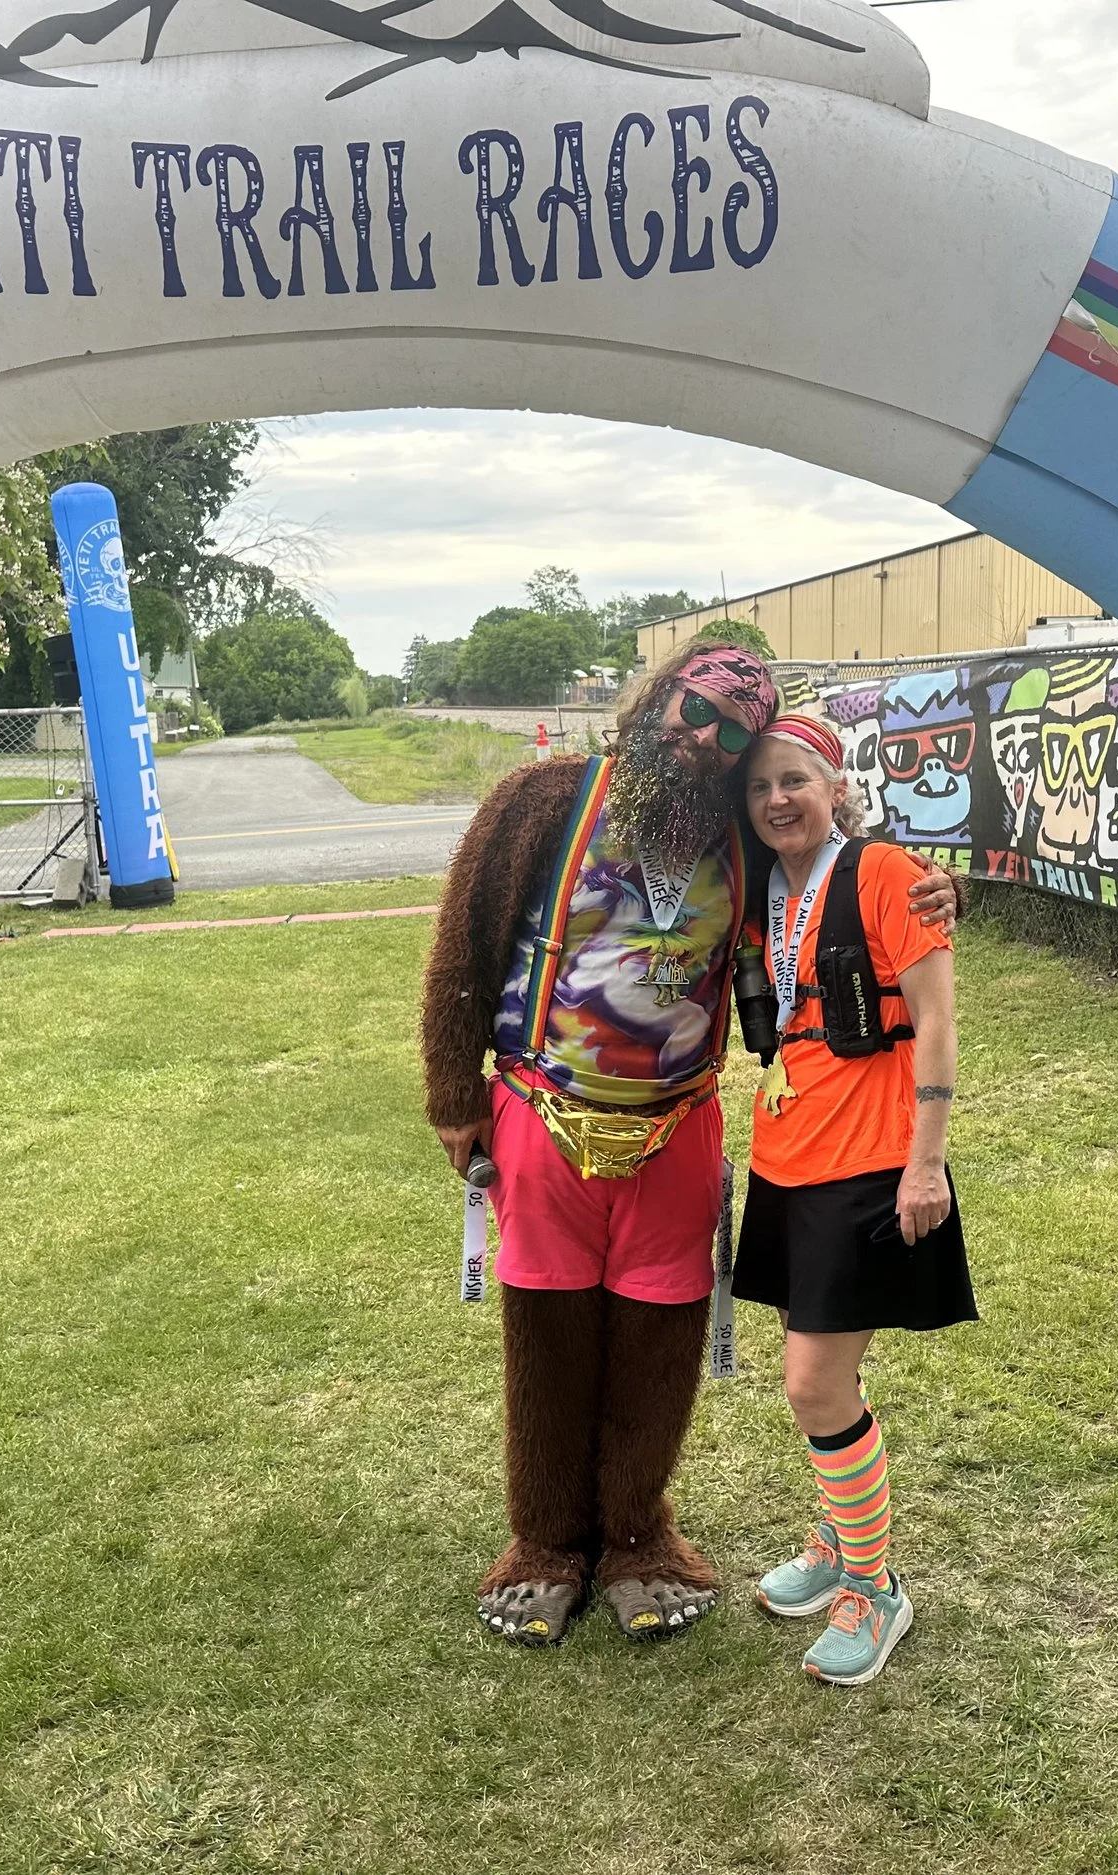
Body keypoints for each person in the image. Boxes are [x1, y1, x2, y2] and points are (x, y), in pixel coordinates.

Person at [419, 645, 962, 1648]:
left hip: (676, 1125)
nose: (701, 737)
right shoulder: (540, 801)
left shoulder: (735, 831)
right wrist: (456, 1098)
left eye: (729, 731)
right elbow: (463, 943)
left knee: (658, 1337)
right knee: (547, 1330)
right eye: (694, 708)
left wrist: (932, 890)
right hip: (545, 1117)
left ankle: (635, 1536)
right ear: (657, 695)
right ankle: (544, 1544)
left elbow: (832, 857)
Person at [732, 713, 975, 1687]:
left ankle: (873, 1587)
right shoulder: (763, 889)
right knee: (818, 1367)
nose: (776, 800)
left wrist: (927, 1163)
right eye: (758, 788)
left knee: (811, 1383)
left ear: (836, 786)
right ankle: (837, 1539)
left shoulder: (882, 873)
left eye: (794, 780)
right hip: (786, 1154)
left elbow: (936, 1021)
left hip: (869, 1161)